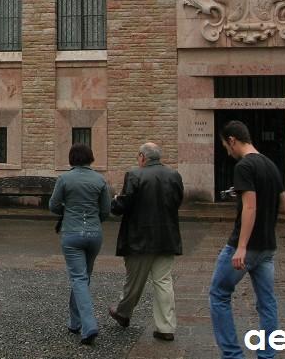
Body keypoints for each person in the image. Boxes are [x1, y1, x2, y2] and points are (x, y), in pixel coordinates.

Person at [209, 120, 285, 359]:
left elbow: (250, 207)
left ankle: (232, 355)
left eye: (226, 146)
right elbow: (284, 206)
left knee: (219, 294)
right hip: (267, 247)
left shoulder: (244, 166)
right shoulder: (271, 165)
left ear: (232, 140)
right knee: (267, 303)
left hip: (247, 246)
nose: (227, 151)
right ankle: (267, 355)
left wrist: (241, 247)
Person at [108, 142, 184, 342]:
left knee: (134, 281)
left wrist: (115, 201)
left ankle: (123, 313)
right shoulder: (174, 175)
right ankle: (166, 327)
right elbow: (177, 201)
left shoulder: (134, 175)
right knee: (164, 282)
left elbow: (123, 205)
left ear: (142, 156)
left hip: (138, 238)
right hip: (167, 237)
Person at [49, 143, 111, 346]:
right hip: (94, 234)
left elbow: (53, 206)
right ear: (90, 158)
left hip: (72, 233)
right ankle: (75, 322)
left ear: (71, 159)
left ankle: (88, 325)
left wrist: (67, 209)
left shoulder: (64, 179)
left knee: (78, 278)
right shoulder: (100, 179)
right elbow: (105, 211)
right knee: (83, 278)